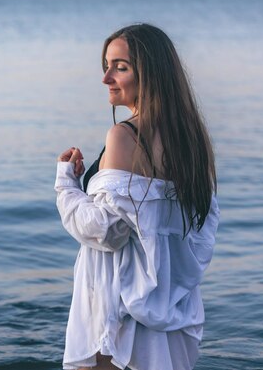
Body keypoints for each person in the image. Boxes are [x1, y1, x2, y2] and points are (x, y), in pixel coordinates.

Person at [54, 23, 220, 370]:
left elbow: (106, 231)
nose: (107, 78)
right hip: (173, 309)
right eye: (107, 65)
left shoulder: (124, 135)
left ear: (151, 74)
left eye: (121, 67)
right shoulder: (193, 142)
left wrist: (67, 185)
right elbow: (199, 237)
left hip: (118, 311)